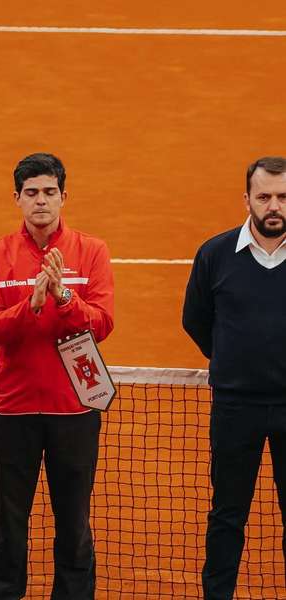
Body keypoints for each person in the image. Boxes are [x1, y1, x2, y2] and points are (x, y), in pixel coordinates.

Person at [0, 153, 114, 599]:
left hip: (74, 411)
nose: (41, 201)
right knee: (8, 527)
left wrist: (63, 296)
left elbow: (104, 323)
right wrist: (29, 306)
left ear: (63, 196)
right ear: (17, 199)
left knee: (74, 525)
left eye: (49, 192)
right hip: (14, 412)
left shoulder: (92, 252)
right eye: (31, 193)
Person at [183, 156, 286, 600]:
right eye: (264, 196)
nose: (274, 206)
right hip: (234, 408)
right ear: (246, 199)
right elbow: (196, 320)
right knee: (227, 516)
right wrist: (230, 360)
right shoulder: (215, 254)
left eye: (283, 197)